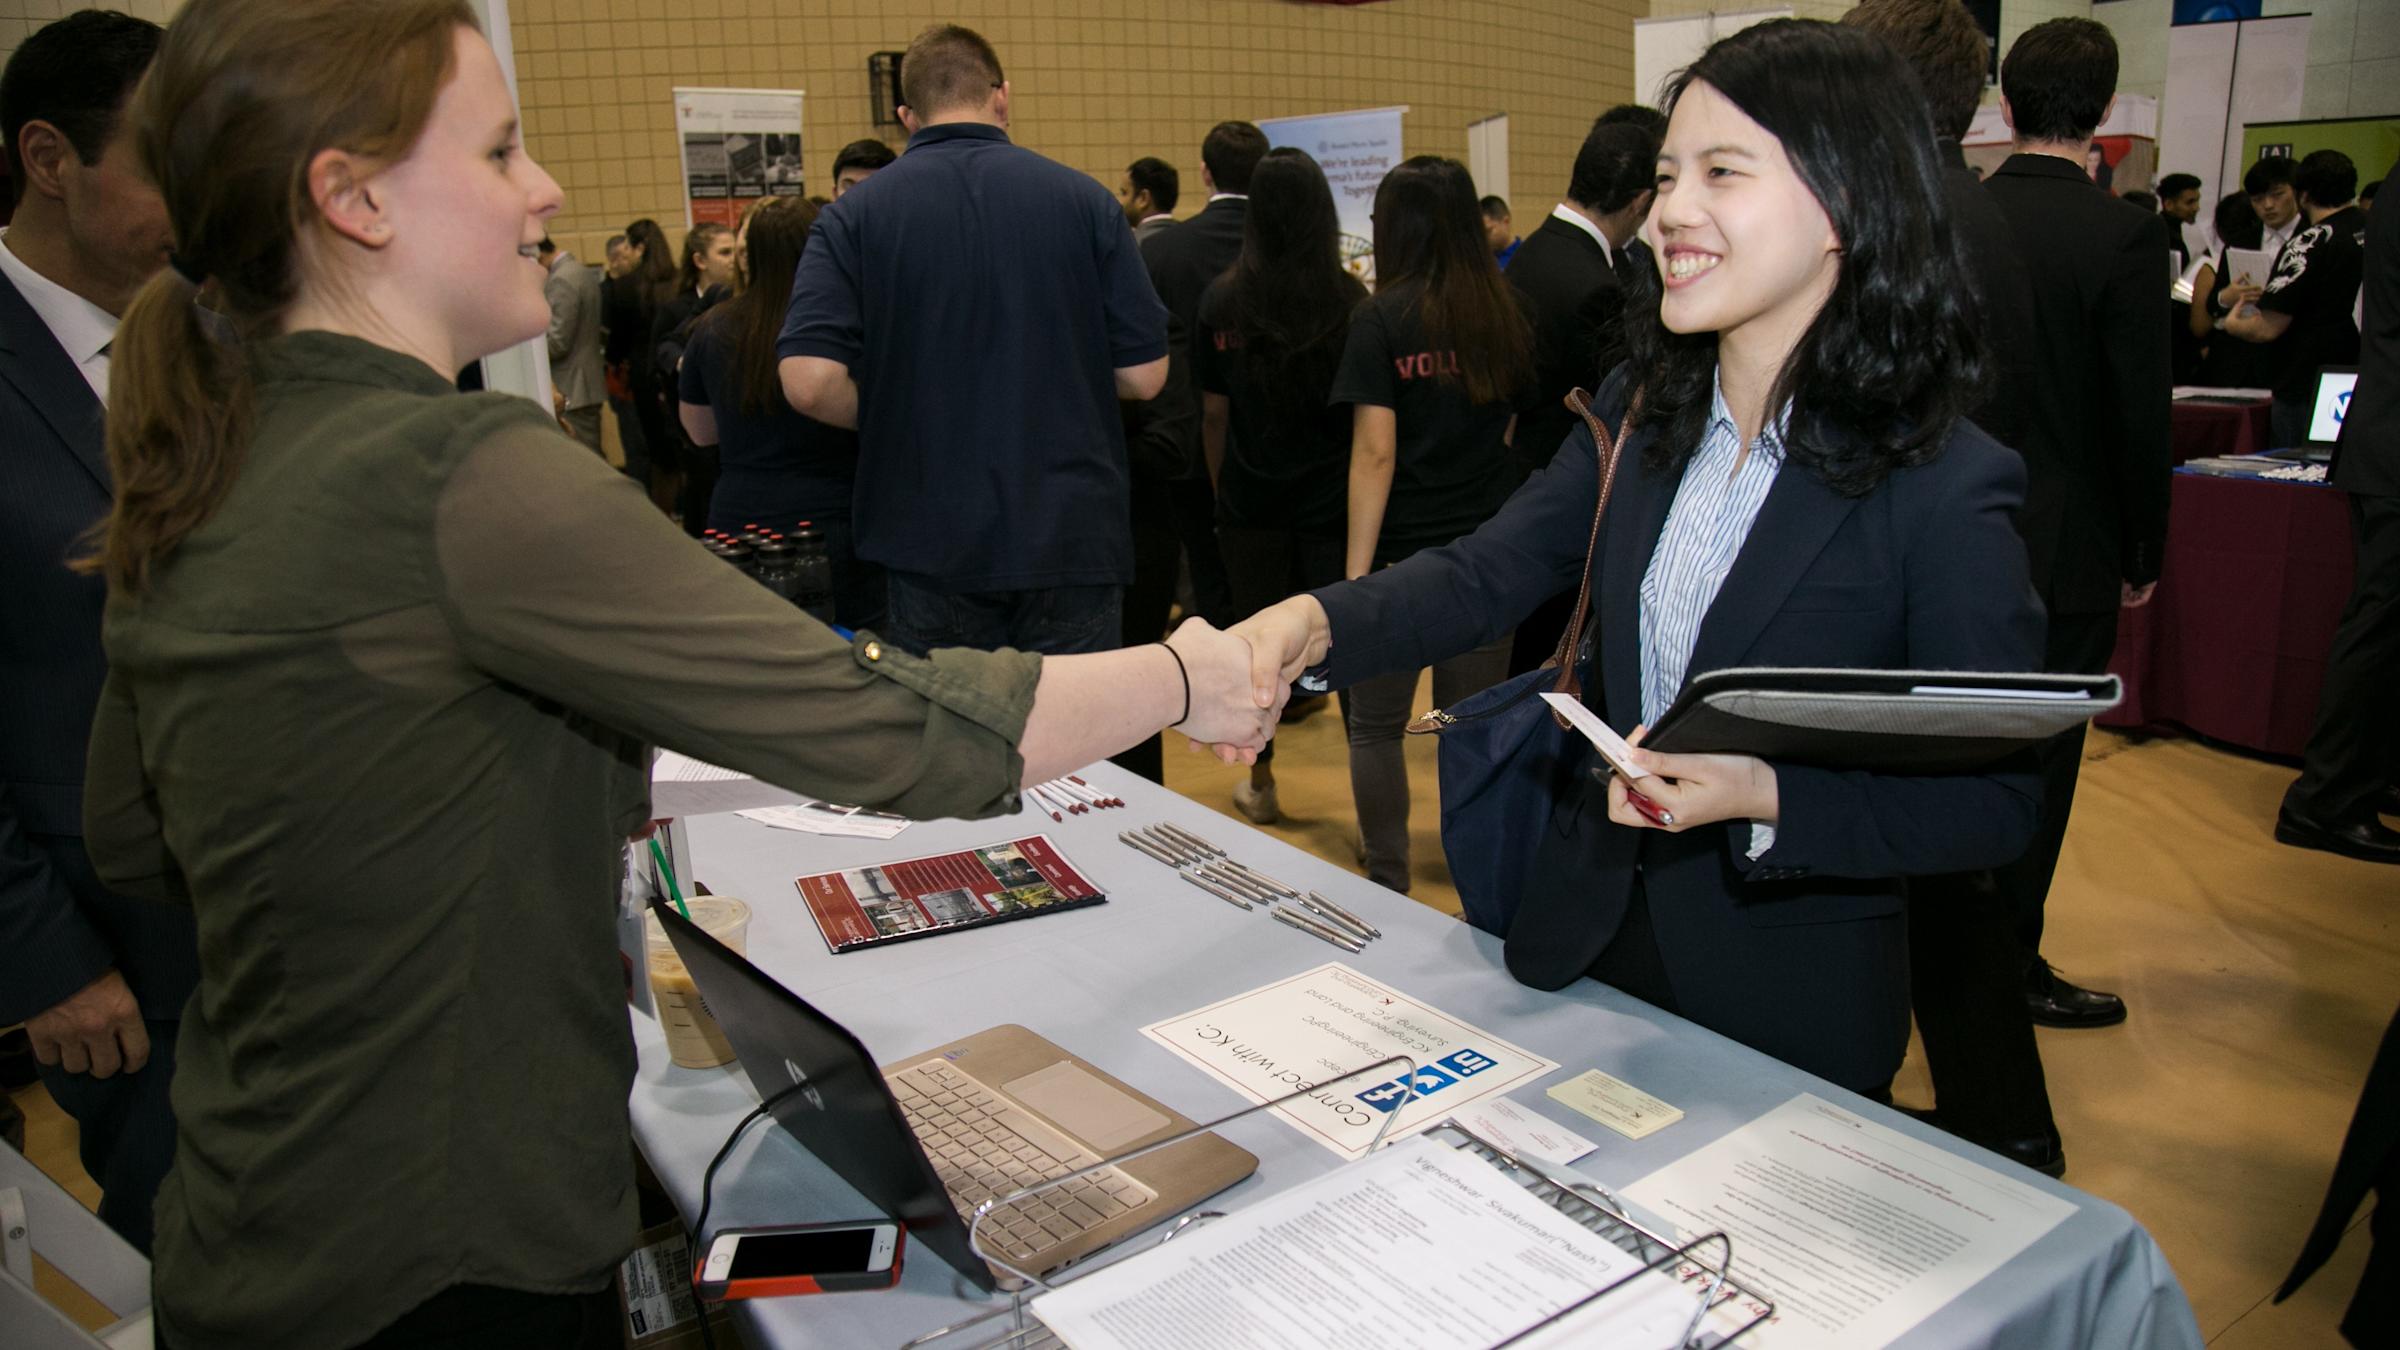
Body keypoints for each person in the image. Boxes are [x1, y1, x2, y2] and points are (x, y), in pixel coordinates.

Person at [89, 5, 1273, 1346]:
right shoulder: (460, 471)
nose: (544, 191)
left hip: (251, 1216)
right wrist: (1186, 670)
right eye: (496, 153)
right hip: (448, 1248)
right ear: (351, 196)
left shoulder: (197, 461)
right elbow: (891, 728)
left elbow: (137, 829)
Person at [1228, 18, 2042, 1096]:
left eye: (1721, 173)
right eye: (1666, 178)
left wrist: (1763, 792)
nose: (1670, 215)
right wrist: (1315, 625)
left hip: (1786, 999)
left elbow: (1996, 799)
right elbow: (1485, 573)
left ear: (1846, 201)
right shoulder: (1643, 414)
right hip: (1589, 944)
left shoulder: (1940, 485)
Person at [1842, 0, 2063, 1175]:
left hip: (1917, 607)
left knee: (1941, 888)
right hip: (1954, 591)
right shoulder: (1961, 205)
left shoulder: (1918, 221)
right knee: (1950, 897)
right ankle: (2004, 1122)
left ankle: (2004, 1130)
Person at [781, 25, 1168, 657]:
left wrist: (901, 413)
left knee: (956, 745)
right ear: (1003, 97)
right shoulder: (1089, 203)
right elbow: (1145, 375)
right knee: (1078, 750)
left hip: (927, 534)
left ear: (906, 117)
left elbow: (808, 381)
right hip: (1068, 536)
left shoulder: (852, 217)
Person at [0, 7, 195, 1258]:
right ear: (48, 157)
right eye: (163, 155)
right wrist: (41, 958)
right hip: (114, 956)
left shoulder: (217, 344)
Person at [1982, 16, 2170, 1032]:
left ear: (2006, 109)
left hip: (1953, 537)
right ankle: (2008, 963)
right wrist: (2145, 546)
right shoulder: (2124, 235)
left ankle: (1934, 955)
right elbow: (2138, 410)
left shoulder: (1957, 222)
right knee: (2041, 767)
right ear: (2102, 114)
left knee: (1937, 748)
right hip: (2068, 548)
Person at [1329, 155, 1533, 893]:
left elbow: (1374, 454)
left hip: (1399, 566)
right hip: (1486, 557)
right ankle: (1477, 880)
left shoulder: (1380, 317)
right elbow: (1513, 429)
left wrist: (1356, 576)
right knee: (1468, 730)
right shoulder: (1502, 310)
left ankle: (1388, 879)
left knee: (1376, 726)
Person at [1194, 148, 1367, 824]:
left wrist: (1224, 491)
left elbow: (1213, 415)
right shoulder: (1351, 303)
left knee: (1254, 660)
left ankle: (1261, 783)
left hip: (1251, 505)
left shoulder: (1222, 301)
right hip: (1331, 507)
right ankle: (1367, 801)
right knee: (1348, 649)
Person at [2272, 159, 2399, 863]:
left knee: (2381, 624)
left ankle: (2360, 780)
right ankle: (2330, 796)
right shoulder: (2342, 233)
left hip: (2378, 435)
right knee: (2380, 623)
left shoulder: (2358, 224)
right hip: (2389, 447)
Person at [679, 196, 884, 629]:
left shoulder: (712, 329)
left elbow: (699, 432)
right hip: (836, 517)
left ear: (747, 253)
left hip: (741, 523)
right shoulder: (848, 325)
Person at [1499, 120, 1656, 679]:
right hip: (1573, 488)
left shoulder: (1531, 253)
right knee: (1555, 647)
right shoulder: (1597, 284)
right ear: (1641, 201)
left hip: (1526, 470)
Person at [1144, 120, 1269, 628]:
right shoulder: (1290, 253)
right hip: (1275, 447)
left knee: (1205, 567)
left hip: (1191, 440)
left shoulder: (1161, 251)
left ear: (1204, 172)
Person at [2223, 149, 2368, 448]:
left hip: (2307, 381)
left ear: (2303, 194)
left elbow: (2267, 327)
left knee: (2298, 476)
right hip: (2363, 372)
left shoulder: (2311, 241)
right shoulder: (2371, 229)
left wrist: (2233, 322)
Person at [652, 221, 736, 532]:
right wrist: (687, 363)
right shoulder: (678, 308)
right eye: (725, 252)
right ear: (700, 260)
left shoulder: (738, 296)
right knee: (702, 500)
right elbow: (660, 353)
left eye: (736, 251)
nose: (733, 259)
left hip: (728, 423)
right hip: (694, 424)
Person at [614, 215, 679, 502]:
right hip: (674, 371)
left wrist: (616, 362)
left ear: (639, 247)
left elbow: (617, 340)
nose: (624, 251)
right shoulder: (678, 282)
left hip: (643, 376)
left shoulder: (625, 286)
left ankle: (663, 509)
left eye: (627, 245)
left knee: (656, 451)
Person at [2190, 190, 2283, 388]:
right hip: (2229, 362)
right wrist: (2224, 298)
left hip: (2247, 362)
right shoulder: (2211, 266)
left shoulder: (2209, 265)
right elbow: (2199, 325)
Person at [538, 236, 603, 453]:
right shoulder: (580, 271)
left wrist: (527, 351)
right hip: (584, 383)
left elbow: (558, 342)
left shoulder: (561, 279)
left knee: (584, 460)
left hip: (572, 387)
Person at [2248, 155, 2303, 264]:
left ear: (2296, 192)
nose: (2268, 205)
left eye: (2277, 194)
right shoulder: (2239, 243)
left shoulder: (2318, 239)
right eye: (2258, 199)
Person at [1120, 154, 1179, 243]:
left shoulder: (1130, 247)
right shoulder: (1192, 238)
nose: (1120, 202)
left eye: (1124, 193)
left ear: (1143, 198)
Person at [2159, 170, 2203, 270]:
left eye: (2197, 201)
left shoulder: (2167, 230)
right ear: (2169, 204)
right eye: (2190, 202)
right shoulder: (2163, 235)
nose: (2197, 208)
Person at [1480, 195, 1519, 268]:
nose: (1484, 237)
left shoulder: (1522, 255)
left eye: (1488, 231)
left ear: (1506, 222)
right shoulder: (1482, 258)